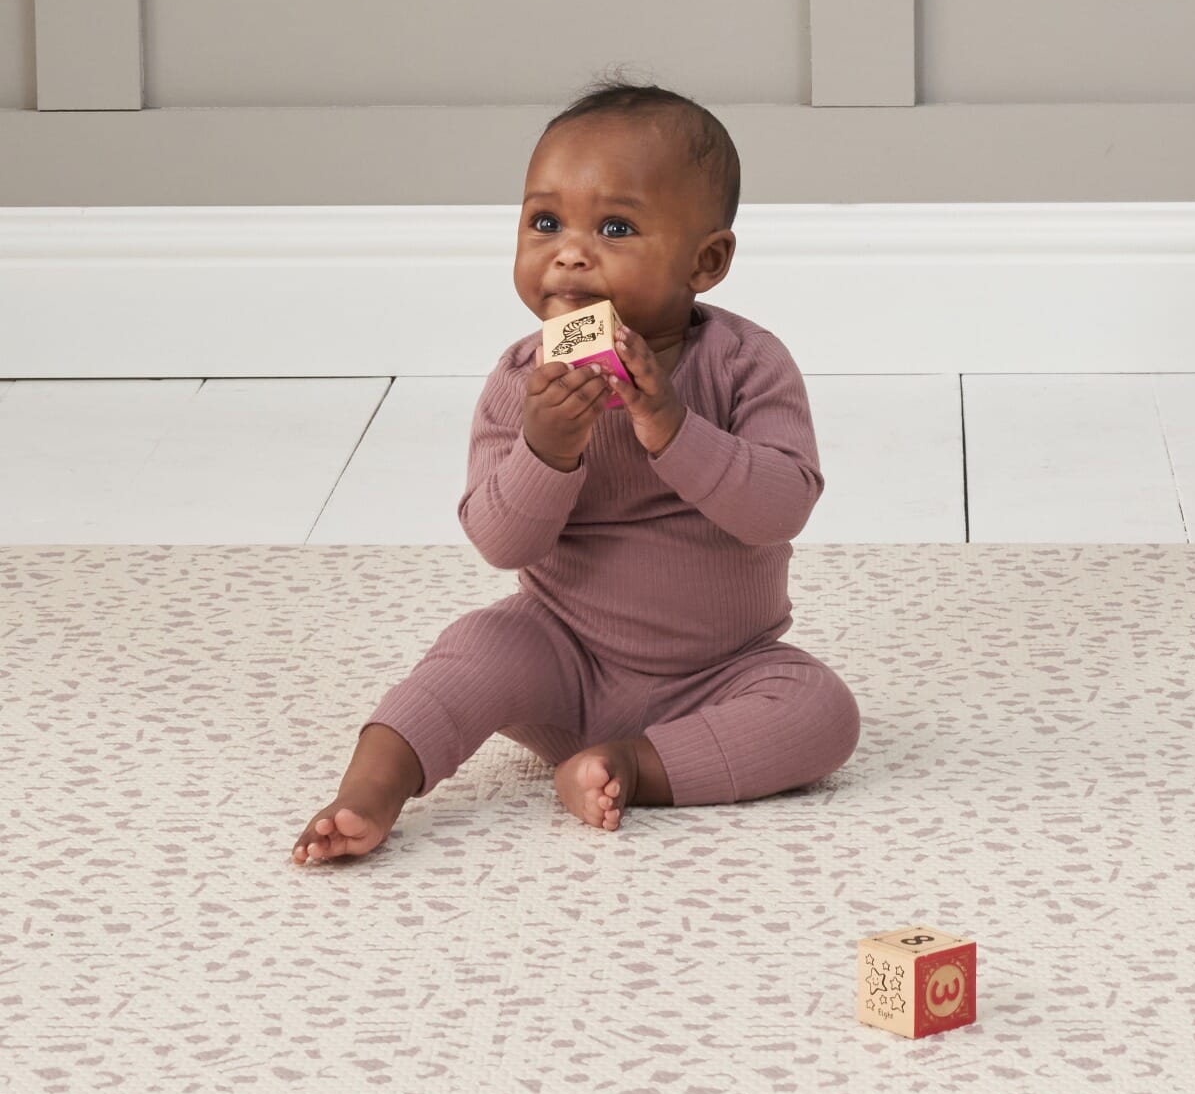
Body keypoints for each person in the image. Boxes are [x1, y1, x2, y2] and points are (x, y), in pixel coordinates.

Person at [292, 81, 860, 865]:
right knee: (475, 647)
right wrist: (547, 448)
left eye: (616, 227)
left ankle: (631, 764)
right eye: (545, 222)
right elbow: (500, 541)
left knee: (823, 713)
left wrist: (669, 426)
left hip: (722, 670)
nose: (570, 250)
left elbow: (781, 506)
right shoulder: (520, 379)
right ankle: (370, 789)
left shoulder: (747, 365)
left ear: (708, 260)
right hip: (562, 656)